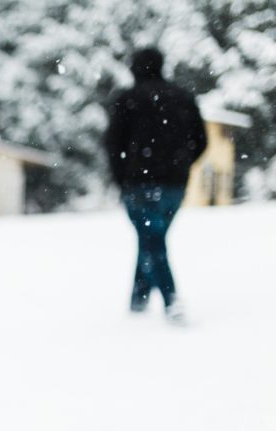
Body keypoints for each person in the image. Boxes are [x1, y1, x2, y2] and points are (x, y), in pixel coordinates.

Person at [103, 47, 208, 325]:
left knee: (153, 242)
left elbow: (114, 145)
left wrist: (122, 180)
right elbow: (201, 142)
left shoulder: (128, 99)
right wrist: (181, 165)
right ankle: (138, 300)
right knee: (152, 240)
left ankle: (172, 302)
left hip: (139, 184)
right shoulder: (184, 98)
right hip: (175, 186)